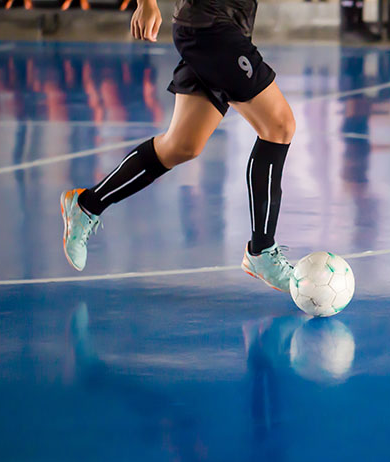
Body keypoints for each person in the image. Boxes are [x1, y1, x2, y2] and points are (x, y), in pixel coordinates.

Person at [60, 0, 297, 292]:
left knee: (183, 145)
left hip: (220, 30)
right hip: (211, 28)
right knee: (279, 126)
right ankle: (261, 250)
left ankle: (86, 205)